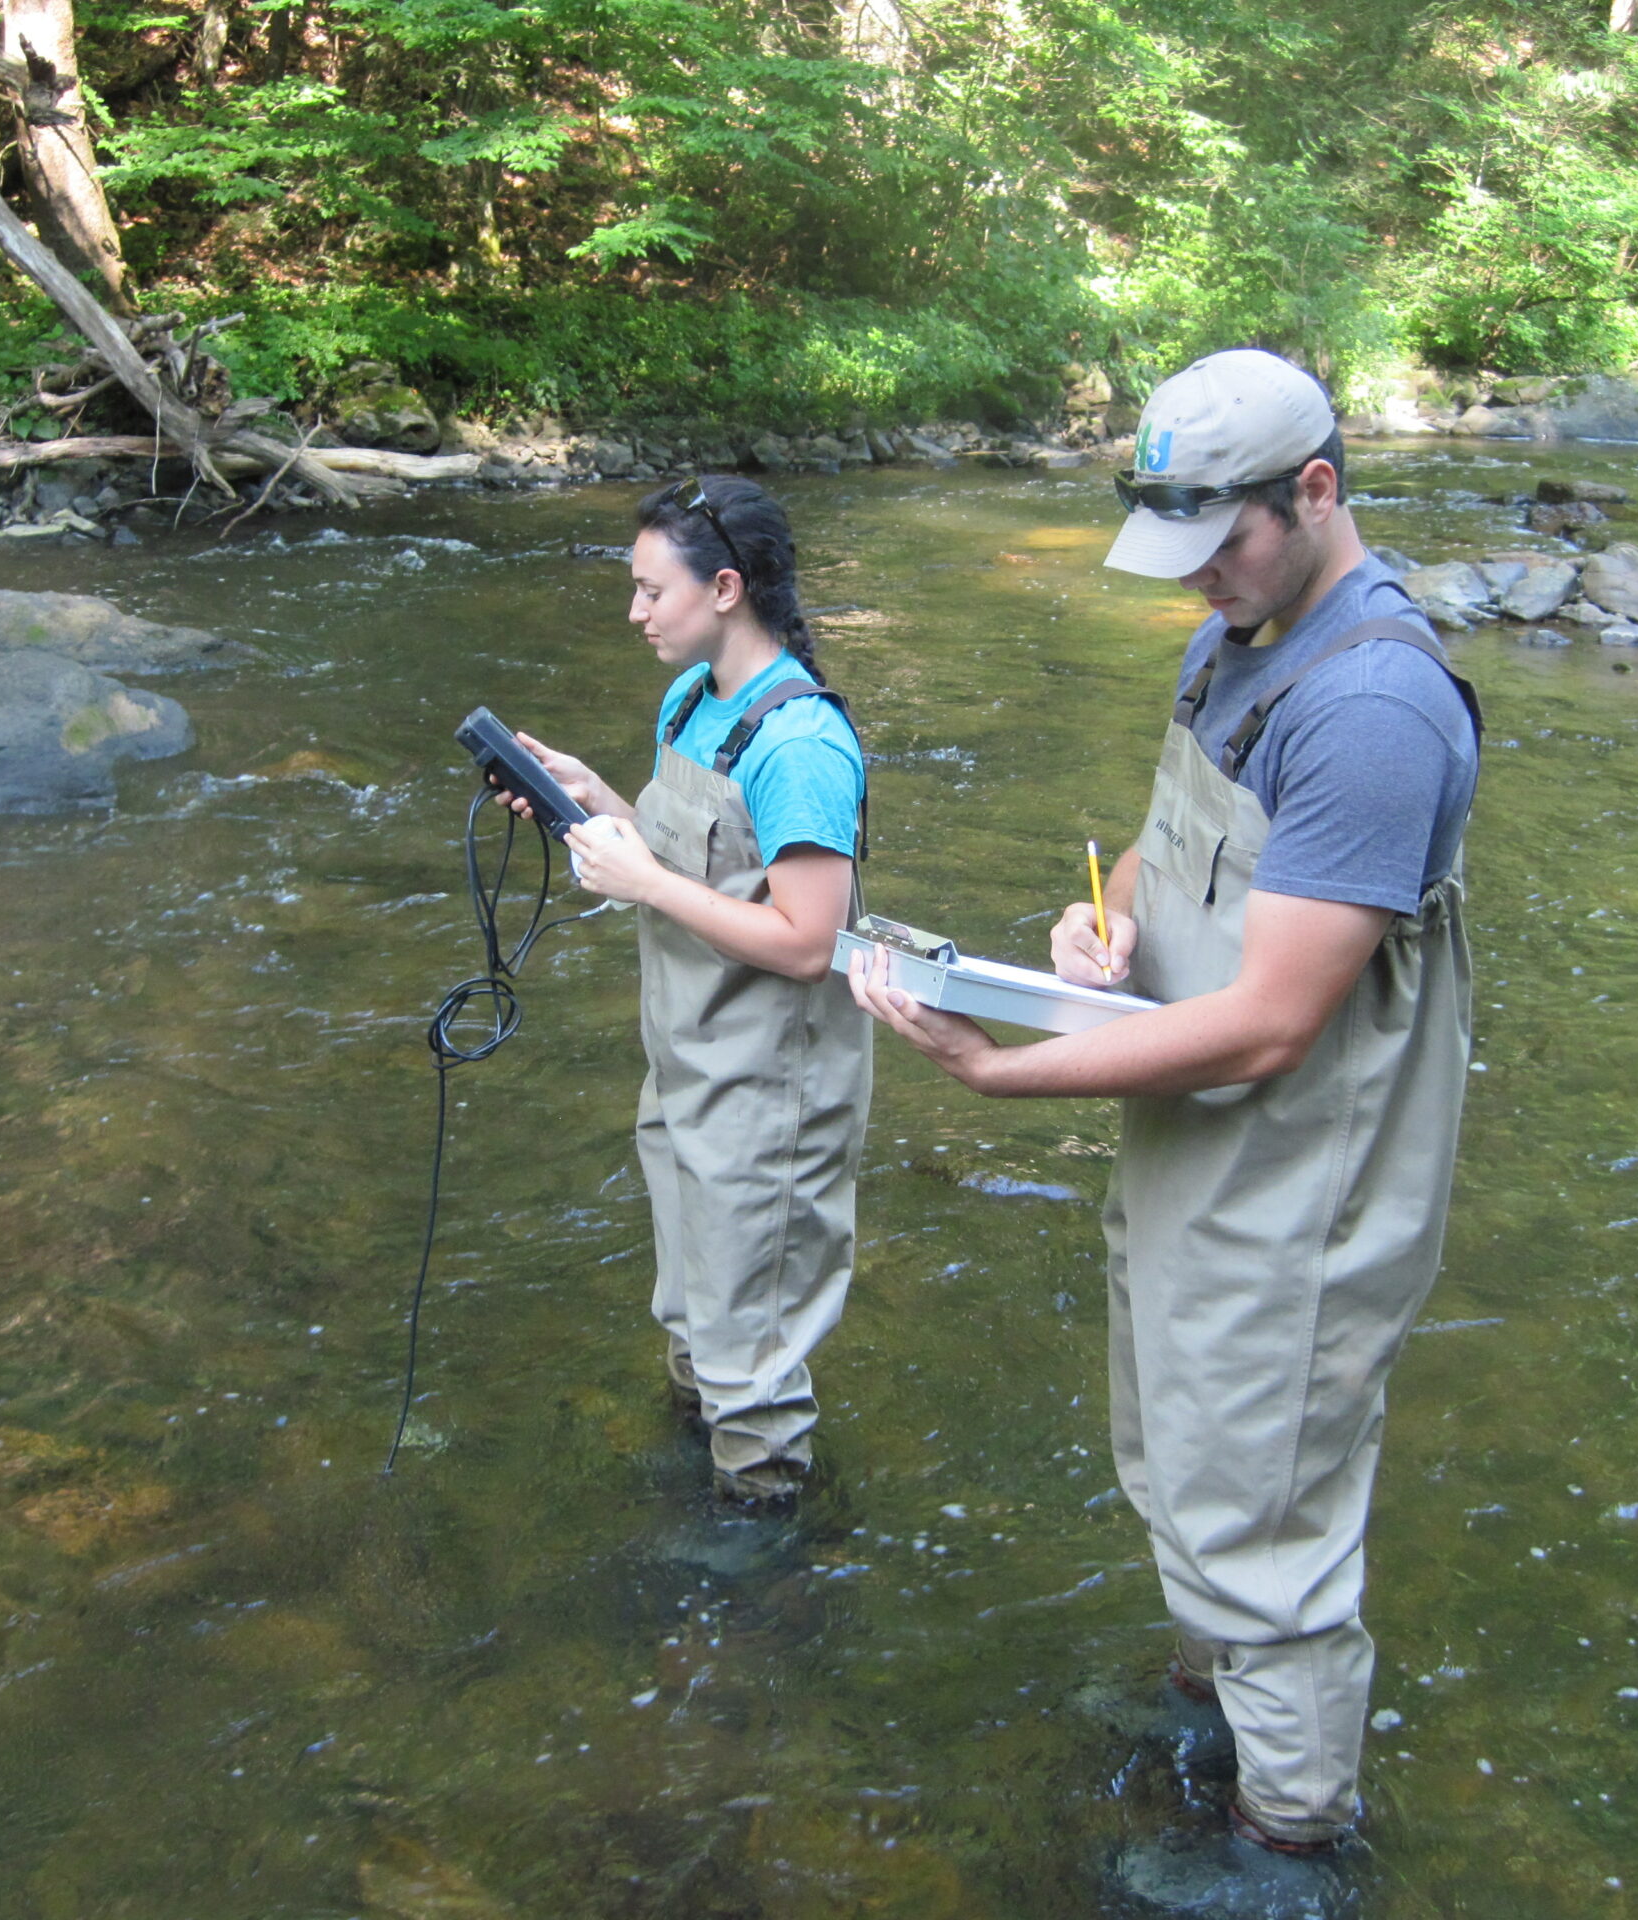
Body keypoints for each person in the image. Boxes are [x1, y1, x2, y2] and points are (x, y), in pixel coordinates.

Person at [848, 349, 1479, 1908]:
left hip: (1301, 1189)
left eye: (1221, 546)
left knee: (1265, 1522)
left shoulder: (1376, 708)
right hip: (1196, 1149)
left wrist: (998, 1076)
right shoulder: (1238, 640)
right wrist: (1098, 932)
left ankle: (1292, 1844)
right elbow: (1161, 846)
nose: (1195, 581)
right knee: (1182, 1462)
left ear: (1315, 493)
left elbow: (1272, 1024)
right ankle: (1218, 1716)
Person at [504, 477, 870, 1508]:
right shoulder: (689, 699)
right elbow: (693, 861)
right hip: (685, 1068)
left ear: (721, 589)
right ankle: (692, 1487)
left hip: (767, 1095)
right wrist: (593, 799)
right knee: (691, 1311)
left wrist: (646, 882)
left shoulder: (801, 747)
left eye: (647, 591)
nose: (633, 613)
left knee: (747, 1347)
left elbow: (809, 943)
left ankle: (765, 1565)